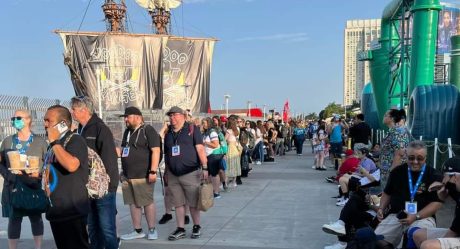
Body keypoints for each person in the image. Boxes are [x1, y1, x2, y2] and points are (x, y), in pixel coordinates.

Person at [70, 96, 119, 249]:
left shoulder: (100, 129)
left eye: (74, 109)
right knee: (92, 228)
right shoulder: (79, 129)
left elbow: (109, 159)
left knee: (107, 229)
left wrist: (109, 187)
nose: (72, 112)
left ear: (83, 110)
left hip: (103, 189)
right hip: (87, 188)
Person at [374, 141, 443, 249]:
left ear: (426, 158)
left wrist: (416, 216)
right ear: (406, 156)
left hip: (422, 217)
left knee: (415, 237)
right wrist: (381, 208)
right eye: (411, 158)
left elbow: (436, 203)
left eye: (419, 158)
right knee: (377, 241)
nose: (415, 161)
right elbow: (387, 193)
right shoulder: (396, 172)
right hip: (397, 215)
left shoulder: (434, 175)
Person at [43, 105, 90, 249]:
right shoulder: (52, 146)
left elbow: (71, 165)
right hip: (56, 209)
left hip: (71, 210)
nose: (45, 124)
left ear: (62, 124)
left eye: (48, 121)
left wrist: (54, 143)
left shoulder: (75, 140)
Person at [0, 109, 48, 249]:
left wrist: (40, 175)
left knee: (36, 218)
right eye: (13, 118)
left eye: (18, 118)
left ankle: (38, 247)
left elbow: (48, 163)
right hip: (13, 187)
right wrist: (8, 175)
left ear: (28, 120)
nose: (15, 120)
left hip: (33, 186)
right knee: (14, 219)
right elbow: (1, 162)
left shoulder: (40, 142)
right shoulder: (8, 141)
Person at [163, 106, 208, 241]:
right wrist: (166, 171)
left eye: (175, 115)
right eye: (170, 116)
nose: (172, 118)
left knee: (193, 202)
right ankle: (180, 228)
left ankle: (196, 226)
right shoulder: (168, 133)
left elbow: (200, 149)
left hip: (190, 173)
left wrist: (205, 167)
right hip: (173, 175)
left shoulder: (192, 129)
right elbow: (167, 154)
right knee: (178, 203)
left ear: (183, 116)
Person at [118, 106, 161, 241]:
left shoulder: (148, 130)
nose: (125, 120)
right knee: (133, 203)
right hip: (128, 175)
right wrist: (123, 171)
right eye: (125, 117)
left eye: (128, 117)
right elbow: (125, 151)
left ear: (138, 117)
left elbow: (156, 150)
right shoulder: (127, 132)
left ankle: (152, 229)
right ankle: (137, 230)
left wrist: (153, 171)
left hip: (143, 175)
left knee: (147, 202)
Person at [412, 157, 460, 249]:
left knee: (428, 246)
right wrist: (441, 186)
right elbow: (447, 187)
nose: (443, 179)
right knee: (418, 234)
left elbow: (452, 233)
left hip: (456, 232)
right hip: (457, 232)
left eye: (444, 175)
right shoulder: (456, 189)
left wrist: (437, 242)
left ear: (455, 177)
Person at [379, 109, 411, 188]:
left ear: (392, 118)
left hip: (393, 173)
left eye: (386, 115)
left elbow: (400, 154)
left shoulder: (398, 132)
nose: (384, 116)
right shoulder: (392, 132)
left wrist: (392, 174)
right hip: (386, 172)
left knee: (391, 197)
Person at [201, 117, 223, 198]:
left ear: (208, 123)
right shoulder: (206, 132)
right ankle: (211, 191)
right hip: (207, 156)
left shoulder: (212, 132)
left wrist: (205, 143)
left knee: (214, 174)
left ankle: (216, 192)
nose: (203, 125)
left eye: (204, 123)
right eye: (202, 123)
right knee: (209, 175)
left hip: (213, 155)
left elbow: (215, 144)